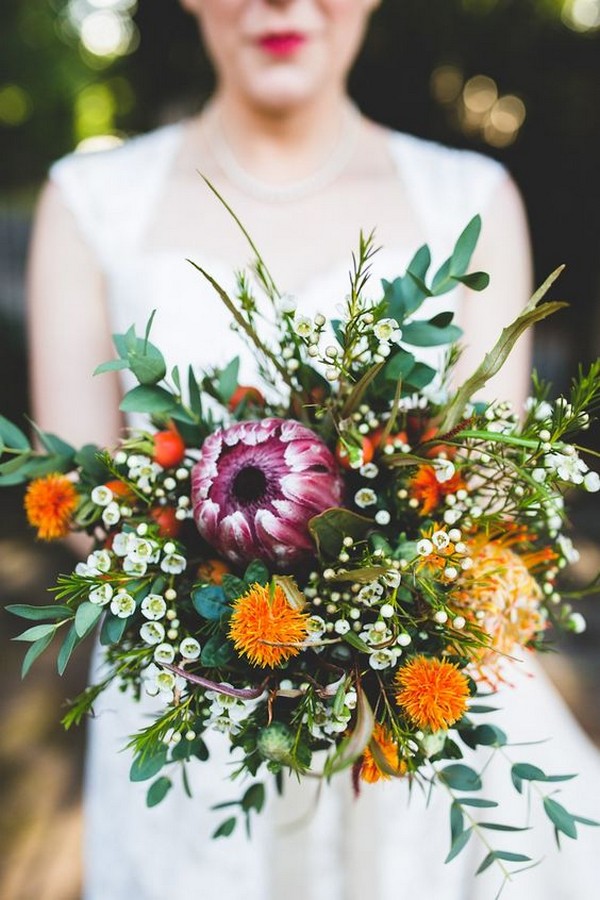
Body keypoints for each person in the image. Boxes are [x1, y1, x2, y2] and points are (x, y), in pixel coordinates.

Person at [26, 1, 599, 897]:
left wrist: (353, 621)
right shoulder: (90, 202)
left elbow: (484, 498)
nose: (280, 3)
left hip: (415, 723)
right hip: (188, 712)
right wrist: (246, 618)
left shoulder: (469, 200)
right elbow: (74, 494)